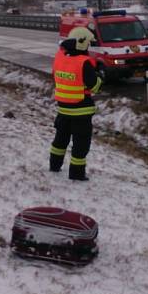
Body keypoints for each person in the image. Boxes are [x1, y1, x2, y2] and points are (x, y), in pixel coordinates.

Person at [49, 26, 102, 181]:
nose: (88, 48)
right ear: (82, 43)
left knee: (60, 140)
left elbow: (57, 77)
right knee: (80, 145)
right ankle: (77, 174)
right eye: (88, 45)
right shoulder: (83, 63)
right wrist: (98, 76)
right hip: (81, 111)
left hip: (63, 109)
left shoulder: (60, 57)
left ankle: (54, 165)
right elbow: (95, 86)